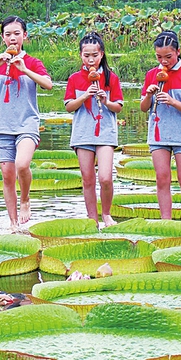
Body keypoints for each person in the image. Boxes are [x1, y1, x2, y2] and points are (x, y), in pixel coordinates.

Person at [0, 16, 52, 231]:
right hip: (2, 126)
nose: (13, 38)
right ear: (2, 38)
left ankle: (25, 199)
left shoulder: (32, 62)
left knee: (22, 164)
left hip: (27, 123)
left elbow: (48, 84)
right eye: (8, 34)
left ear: (25, 36)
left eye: (17, 33)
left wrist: (25, 69)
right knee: (7, 175)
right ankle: (13, 223)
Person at [64, 32, 123, 227]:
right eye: (86, 55)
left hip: (105, 133)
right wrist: (84, 96)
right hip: (82, 134)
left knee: (105, 177)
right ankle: (92, 219)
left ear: (102, 54)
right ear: (80, 55)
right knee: (88, 179)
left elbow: (119, 107)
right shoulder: (74, 78)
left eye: (95, 55)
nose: (91, 59)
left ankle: (106, 214)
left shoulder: (111, 78)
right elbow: (69, 106)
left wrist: (106, 100)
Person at [140, 30, 181, 221]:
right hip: (158, 135)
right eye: (159, 57)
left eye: (168, 57)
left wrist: (173, 101)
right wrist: (149, 95)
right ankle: (166, 221)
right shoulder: (152, 74)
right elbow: (143, 108)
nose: (164, 61)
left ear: (178, 52)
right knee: (162, 179)